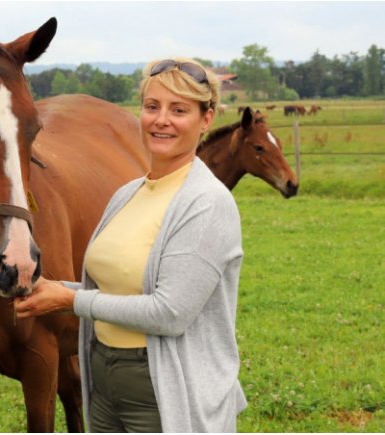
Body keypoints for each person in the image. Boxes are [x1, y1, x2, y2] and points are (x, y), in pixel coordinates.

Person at [14, 57, 247, 432]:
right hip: (104, 379)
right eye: (152, 107)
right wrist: (55, 289)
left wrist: (70, 299)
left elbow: (169, 313)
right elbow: (114, 290)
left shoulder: (207, 203)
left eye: (179, 110)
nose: (161, 120)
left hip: (165, 388)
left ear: (206, 119)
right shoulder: (128, 194)